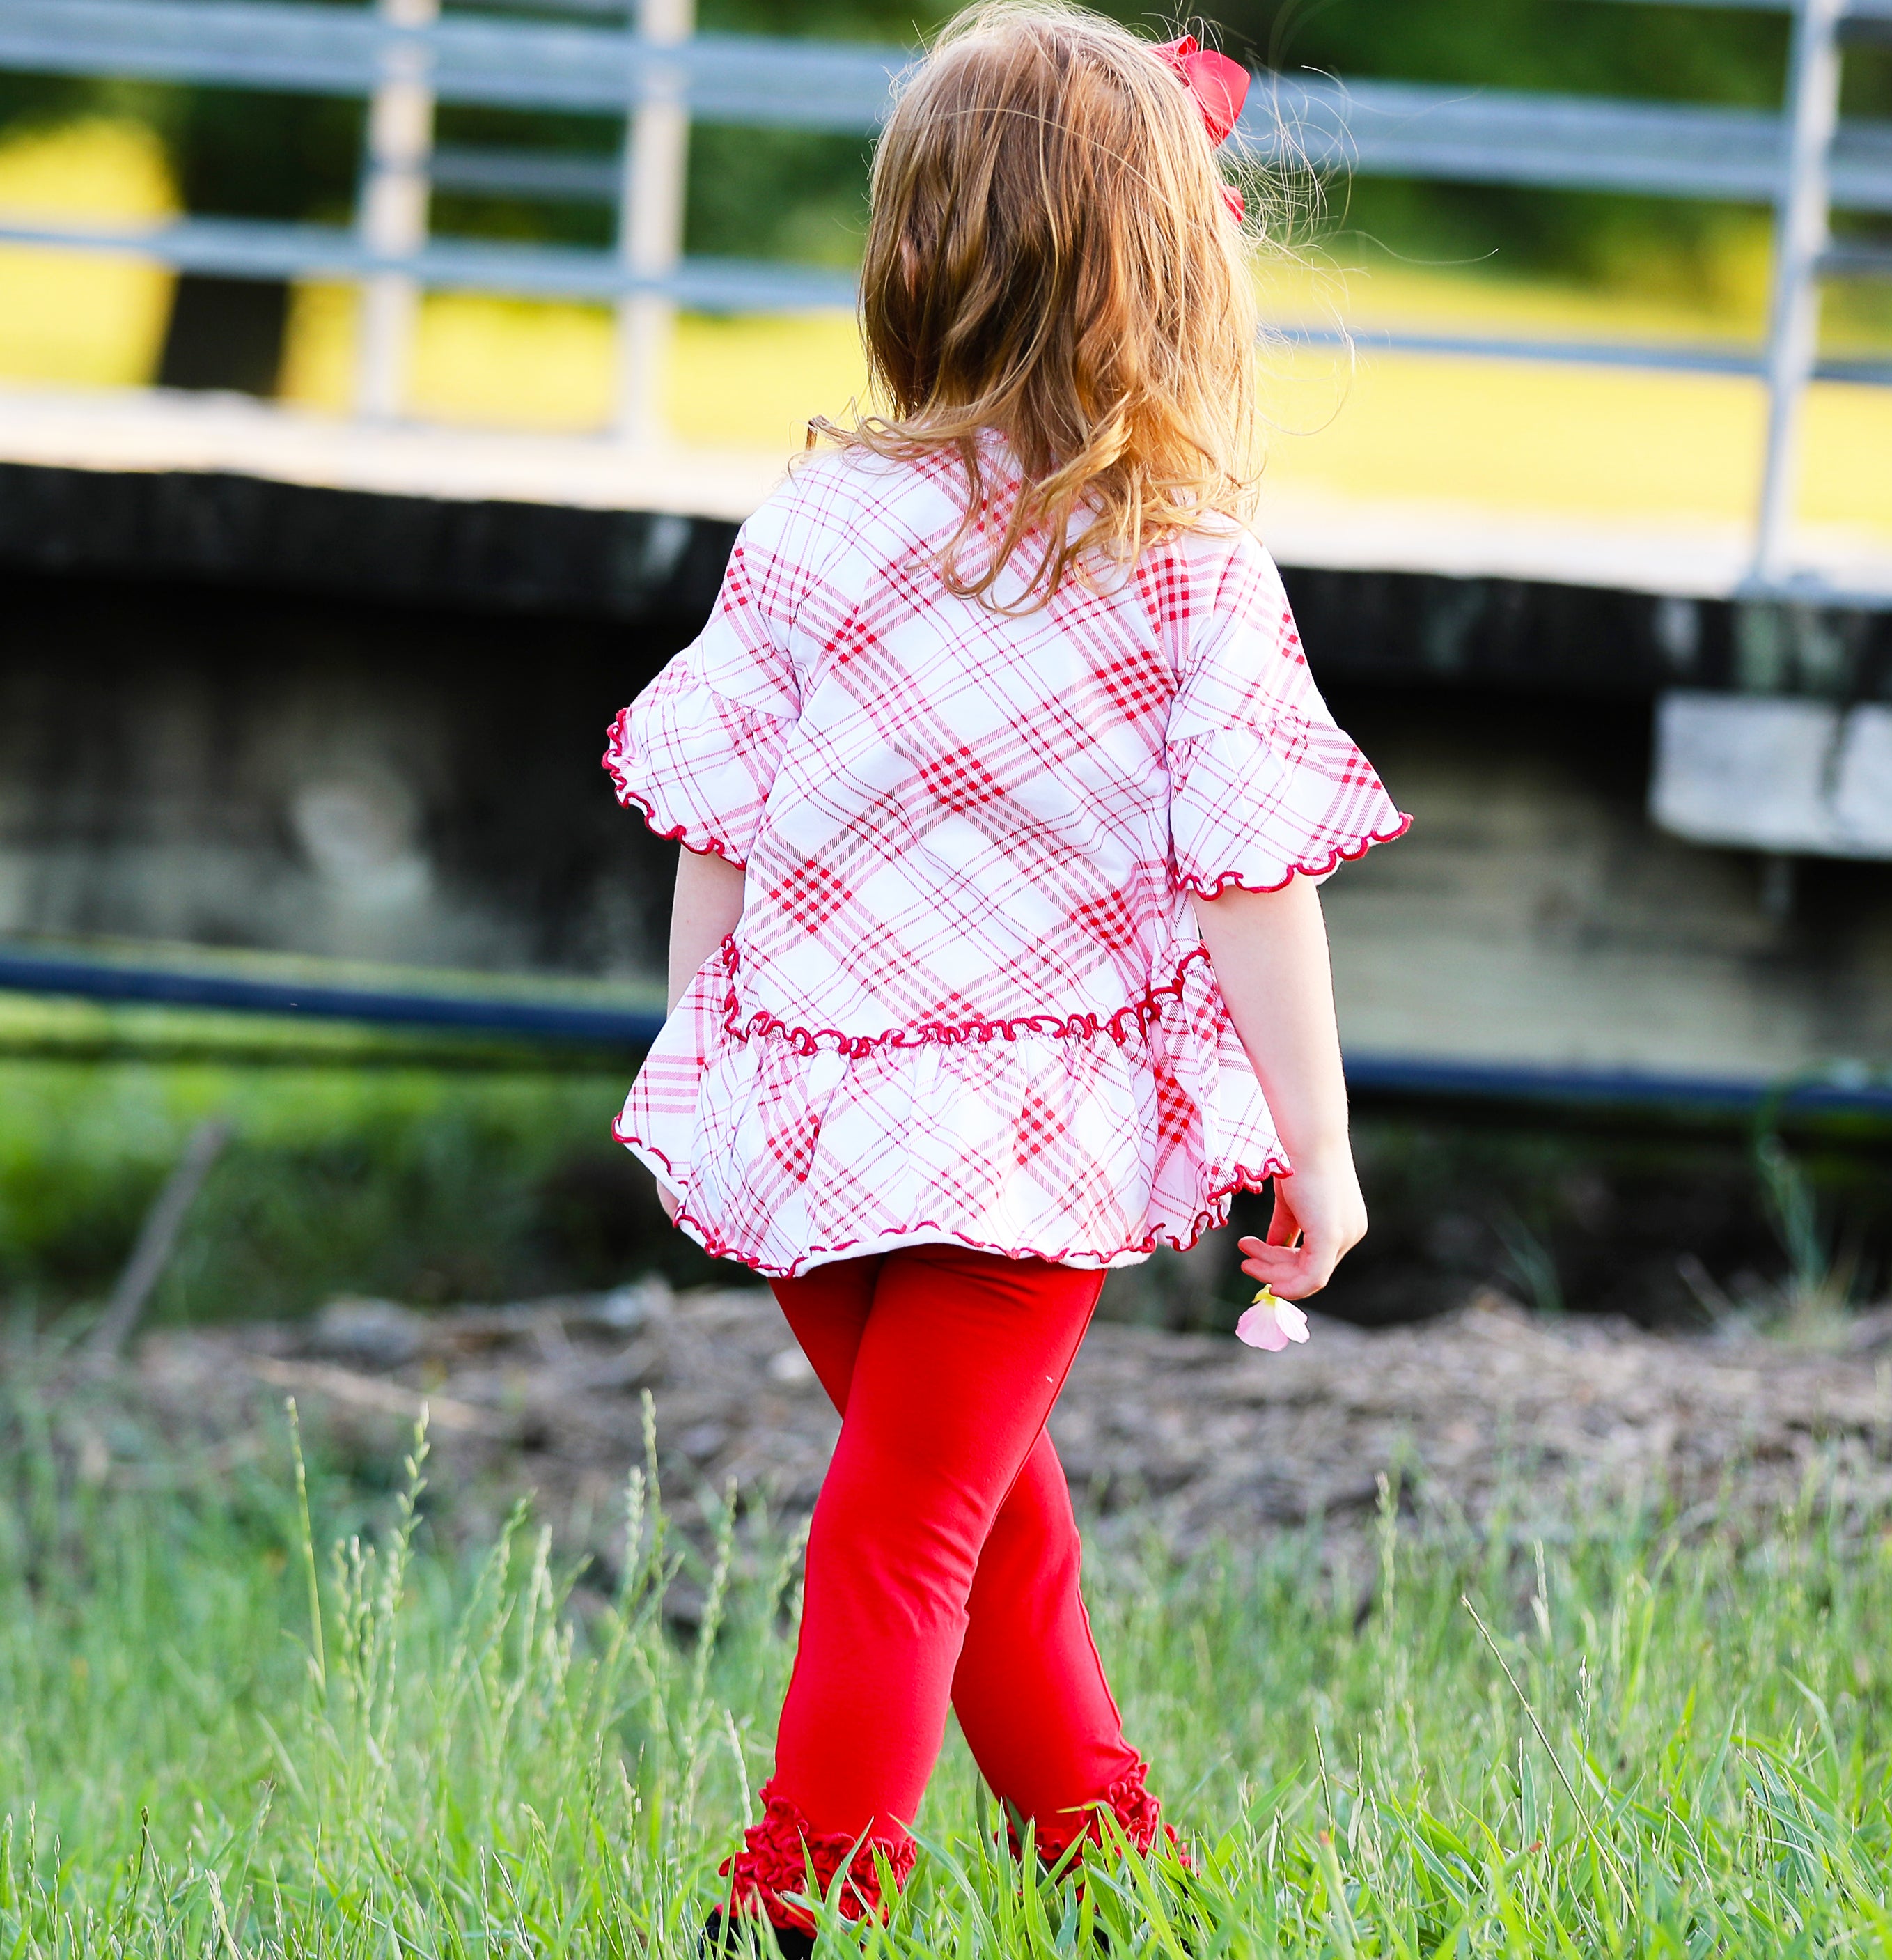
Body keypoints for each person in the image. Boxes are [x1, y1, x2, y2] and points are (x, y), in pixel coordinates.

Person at [604, 3, 1407, 1947]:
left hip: (810, 1104)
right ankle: (796, 1908)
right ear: (1167, 265)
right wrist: (1322, 1144)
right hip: (1022, 1134)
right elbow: (1251, 884)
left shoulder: (817, 521)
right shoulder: (1186, 569)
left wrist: (699, 1038)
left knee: (981, 1523)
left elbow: (726, 813)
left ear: (914, 250)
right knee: (919, 1529)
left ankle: (1113, 1875)